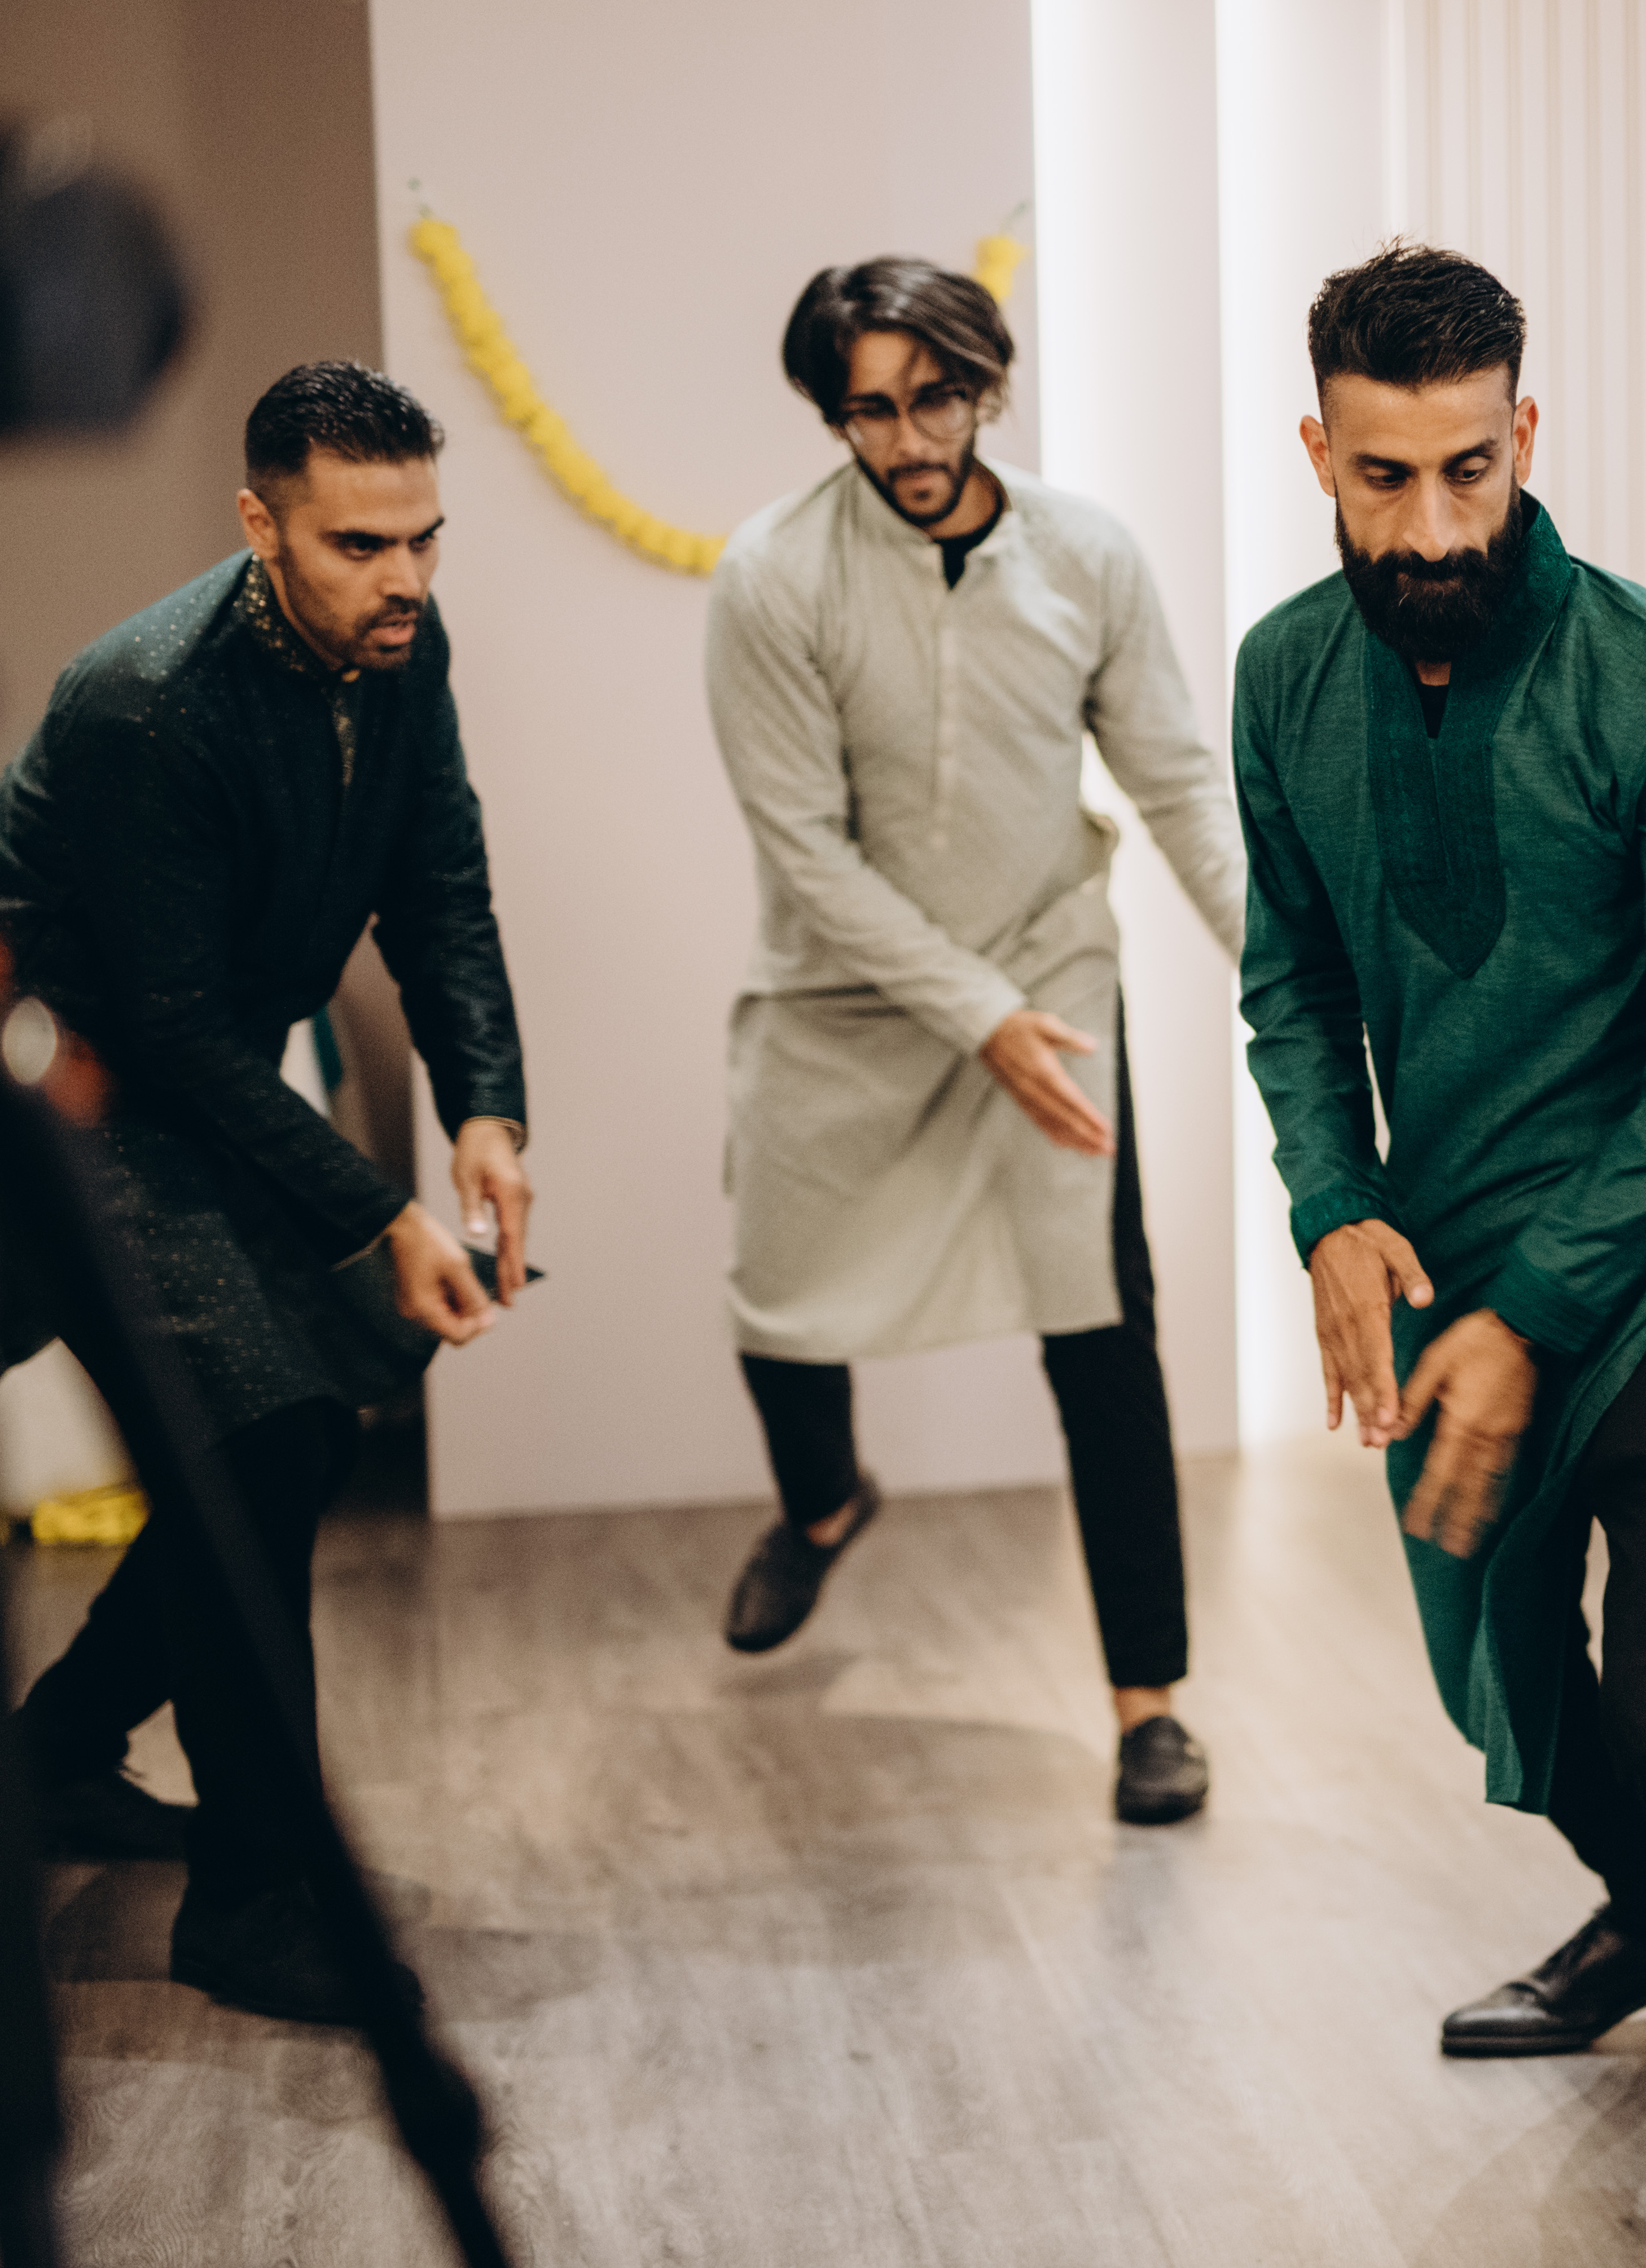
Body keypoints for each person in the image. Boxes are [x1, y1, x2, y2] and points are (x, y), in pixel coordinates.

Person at [1236, 244, 1646, 2268]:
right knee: (1513, 1681)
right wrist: (1332, 1208)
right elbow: (1291, 986)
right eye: (1384, 478)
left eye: (1468, 470)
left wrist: (1536, 1314)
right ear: (1318, 455)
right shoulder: (1282, 677)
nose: (1432, 529)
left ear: (1524, 436)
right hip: (1442, 1264)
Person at [0, 361, 528, 2023]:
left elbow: (440, 887)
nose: (405, 577)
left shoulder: (400, 645)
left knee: (285, 1440)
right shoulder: (148, 701)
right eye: (360, 543)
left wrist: (485, 1109)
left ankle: (58, 1753)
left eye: (424, 537)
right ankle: (255, 1906)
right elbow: (175, 1031)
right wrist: (381, 1213)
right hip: (41, 1095)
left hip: (173, 1083)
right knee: (264, 1440)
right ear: (260, 526)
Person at [704, 258, 1241, 1828]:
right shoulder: (773, 576)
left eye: (934, 399)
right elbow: (803, 850)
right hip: (843, 992)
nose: (907, 440)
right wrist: (970, 1015)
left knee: (1100, 1331)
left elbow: (1177, 784)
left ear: (986, 388)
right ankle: (823, 1504)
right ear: (833, 416)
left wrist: (1289, 982)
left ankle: (1150, 1706)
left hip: (1047, 973)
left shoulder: (1087, 555)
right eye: (867, 411)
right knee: (778, 1302)